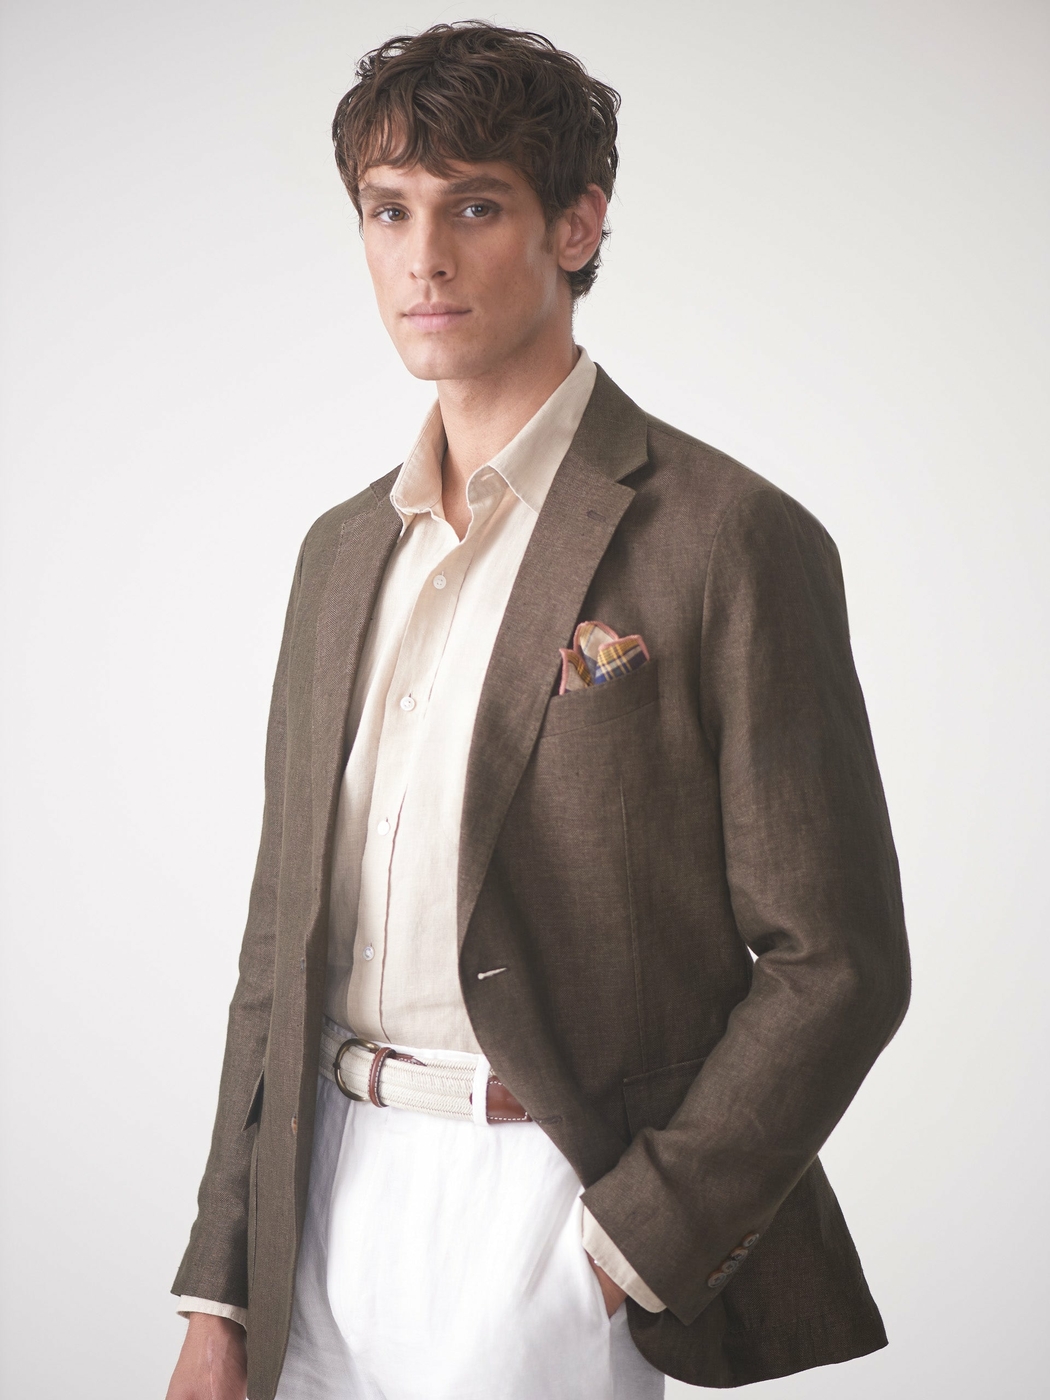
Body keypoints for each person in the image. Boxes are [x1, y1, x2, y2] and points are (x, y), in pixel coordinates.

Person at [165, 22, 910, 1400]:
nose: (422, 258)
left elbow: (837, 960)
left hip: (540, 1205)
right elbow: (278, 942)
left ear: (576, 226)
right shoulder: (341, 551)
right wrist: (219, 1285)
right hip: (312, 1199)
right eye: (388, 211)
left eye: (474, 207)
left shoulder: (725, 537)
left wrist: (631, 1244)